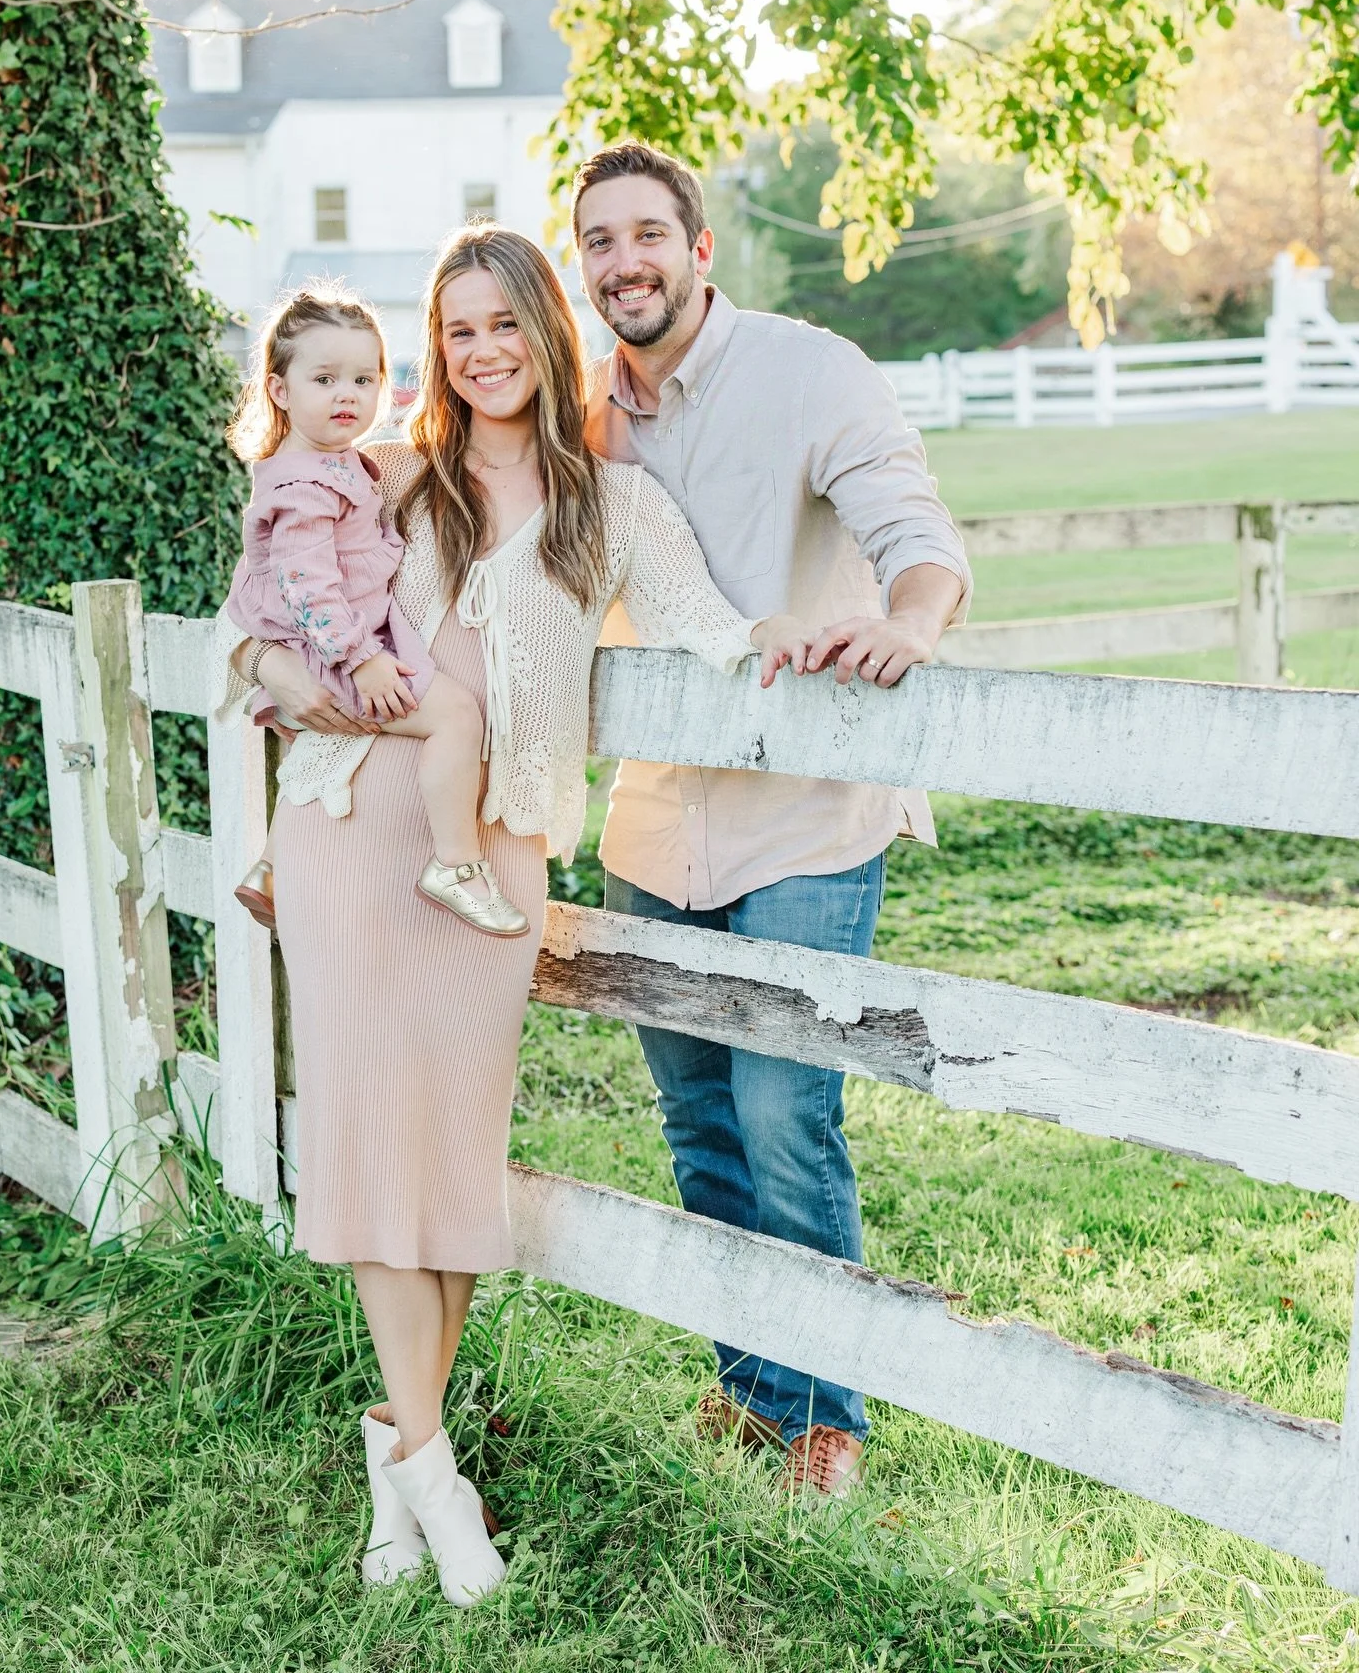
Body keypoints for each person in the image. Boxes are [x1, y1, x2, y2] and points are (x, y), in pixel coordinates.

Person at [212, 223, 816, 1604]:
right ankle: (436, 1475)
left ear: (549, 333)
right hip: (357, 832)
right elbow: (253, 604)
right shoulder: (390, 472)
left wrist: (780, 641)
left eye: (504, 325)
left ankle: (394, 1451)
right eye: (459, 329)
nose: (481, 352)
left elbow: (712, 625)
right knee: (373, 1148)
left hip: (493, 866)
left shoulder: (612, 504)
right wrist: (271, 668)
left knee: (456, 1166)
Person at [576, 141, 973, 1501]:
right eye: (599, 241)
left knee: (785, 1110)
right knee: (696, 1119)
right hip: (651, 821)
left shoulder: (810, 370)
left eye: (647, 234)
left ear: (699, 249)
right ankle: (753, 1386)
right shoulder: (586, 415)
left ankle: (828, 1417)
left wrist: (905, 625)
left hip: (808, 815)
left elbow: (921, 537)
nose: (623, 260)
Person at [222, 283, 526, 938]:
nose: (347, 395)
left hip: (330, 650)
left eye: (364, 378)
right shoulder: (307, 483)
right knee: (455, 716)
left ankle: (272, 868)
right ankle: (457, 862)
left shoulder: (332, 466)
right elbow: (306, 588)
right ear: (280, 390)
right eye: (325, 379)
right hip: (339, 654)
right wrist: (360, 660)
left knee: (333, 745)